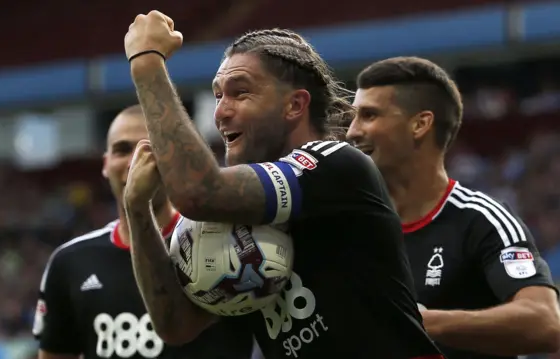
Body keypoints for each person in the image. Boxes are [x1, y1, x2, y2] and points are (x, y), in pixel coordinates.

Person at [121, 10, 444, 359]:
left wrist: (147, 63)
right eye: (218, 96)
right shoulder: (240, 212)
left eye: (240, 93)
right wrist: (138, 212)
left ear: (294, 105)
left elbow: (199, 192)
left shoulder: (336, 165)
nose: (220, 112)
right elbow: (176, 325)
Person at [346, 56, 560, 359]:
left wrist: (424, 321)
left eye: (369, 116)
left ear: (420, 124)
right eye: (353, 118)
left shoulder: (482, 221)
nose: (352, 132)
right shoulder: (353, 230)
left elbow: (545, 324)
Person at [33, 105, 254, 359]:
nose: (135, 162)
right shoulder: (69, 262)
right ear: (105, 165)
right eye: (122, 150)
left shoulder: (225, 242)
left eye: (151, 148)